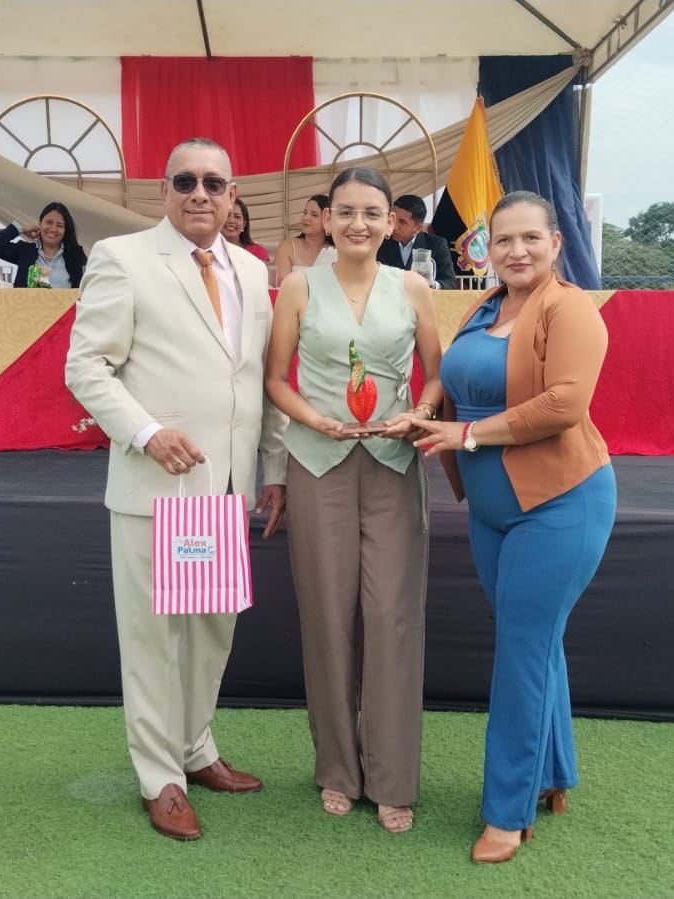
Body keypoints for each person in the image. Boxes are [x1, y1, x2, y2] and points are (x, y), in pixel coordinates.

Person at [64, 137, 287, 842]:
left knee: (212, 631)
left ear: (232, 195)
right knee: (154, 637)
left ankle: (195, 748)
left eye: (213, 183)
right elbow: (86, 366)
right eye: (184, 181)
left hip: (224, 486)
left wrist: (273, 469)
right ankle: (159, 776)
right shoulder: (122, 258)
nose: (199, 194)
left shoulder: (251, 269)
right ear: (163, 191)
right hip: (157, 485)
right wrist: (147, 432)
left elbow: (258, 379)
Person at [404, 191, 616, 865]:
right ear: (485, 249)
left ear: (556, 243)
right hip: (493, 511)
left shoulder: (569, 309)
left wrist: (465, 435)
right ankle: (553, 773)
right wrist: (424, 412)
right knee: (535, 642)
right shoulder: (486, 306)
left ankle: (507, 811)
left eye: (530, 238)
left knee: (522, 650)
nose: (516, 250)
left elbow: (563, 404)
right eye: (503, 240)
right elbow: (455, 381)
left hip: (560, 504)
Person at [265, 166, 443, 834]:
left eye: (372, 212)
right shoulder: (298, 286)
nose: (358, 224)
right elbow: (275, 379)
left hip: (394, 463)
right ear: (325, 217)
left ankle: (393, 777)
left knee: (393, 616)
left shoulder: (412, 286)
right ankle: (338, 769)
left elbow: (436, 375)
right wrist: (313, 420)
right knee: (326, 616)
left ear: (391, 220)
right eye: (345, 212)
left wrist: (418, 414)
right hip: (318, 463)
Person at [0, 201, 86, 288]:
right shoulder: (25, 251)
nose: (53, 229)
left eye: (59, 225)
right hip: (27, 305)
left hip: (66, 306)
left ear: (65, 230)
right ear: (40, 223)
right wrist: (21, 229)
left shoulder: (76, 255)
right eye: (49, 222)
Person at [377, 194, 458, 290]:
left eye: (402, 222)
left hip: (422, 298)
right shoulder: (381, 242)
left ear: (418, 228)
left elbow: (450, 283)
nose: (394, 227)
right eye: (393, 219)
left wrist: (432, 284)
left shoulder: (436, 245)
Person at [274, 193, 336, 286]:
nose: (306, 218)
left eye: (314, 215)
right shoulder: (287, 247)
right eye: (305, 213)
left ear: (328, 221)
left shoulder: (336, 251)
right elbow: (281, 283)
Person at [223, 198, 271, 265]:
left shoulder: (258, 251)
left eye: (237, 217)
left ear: (244, 224)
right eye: (227, 215)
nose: (231, 221)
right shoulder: (209, 251)